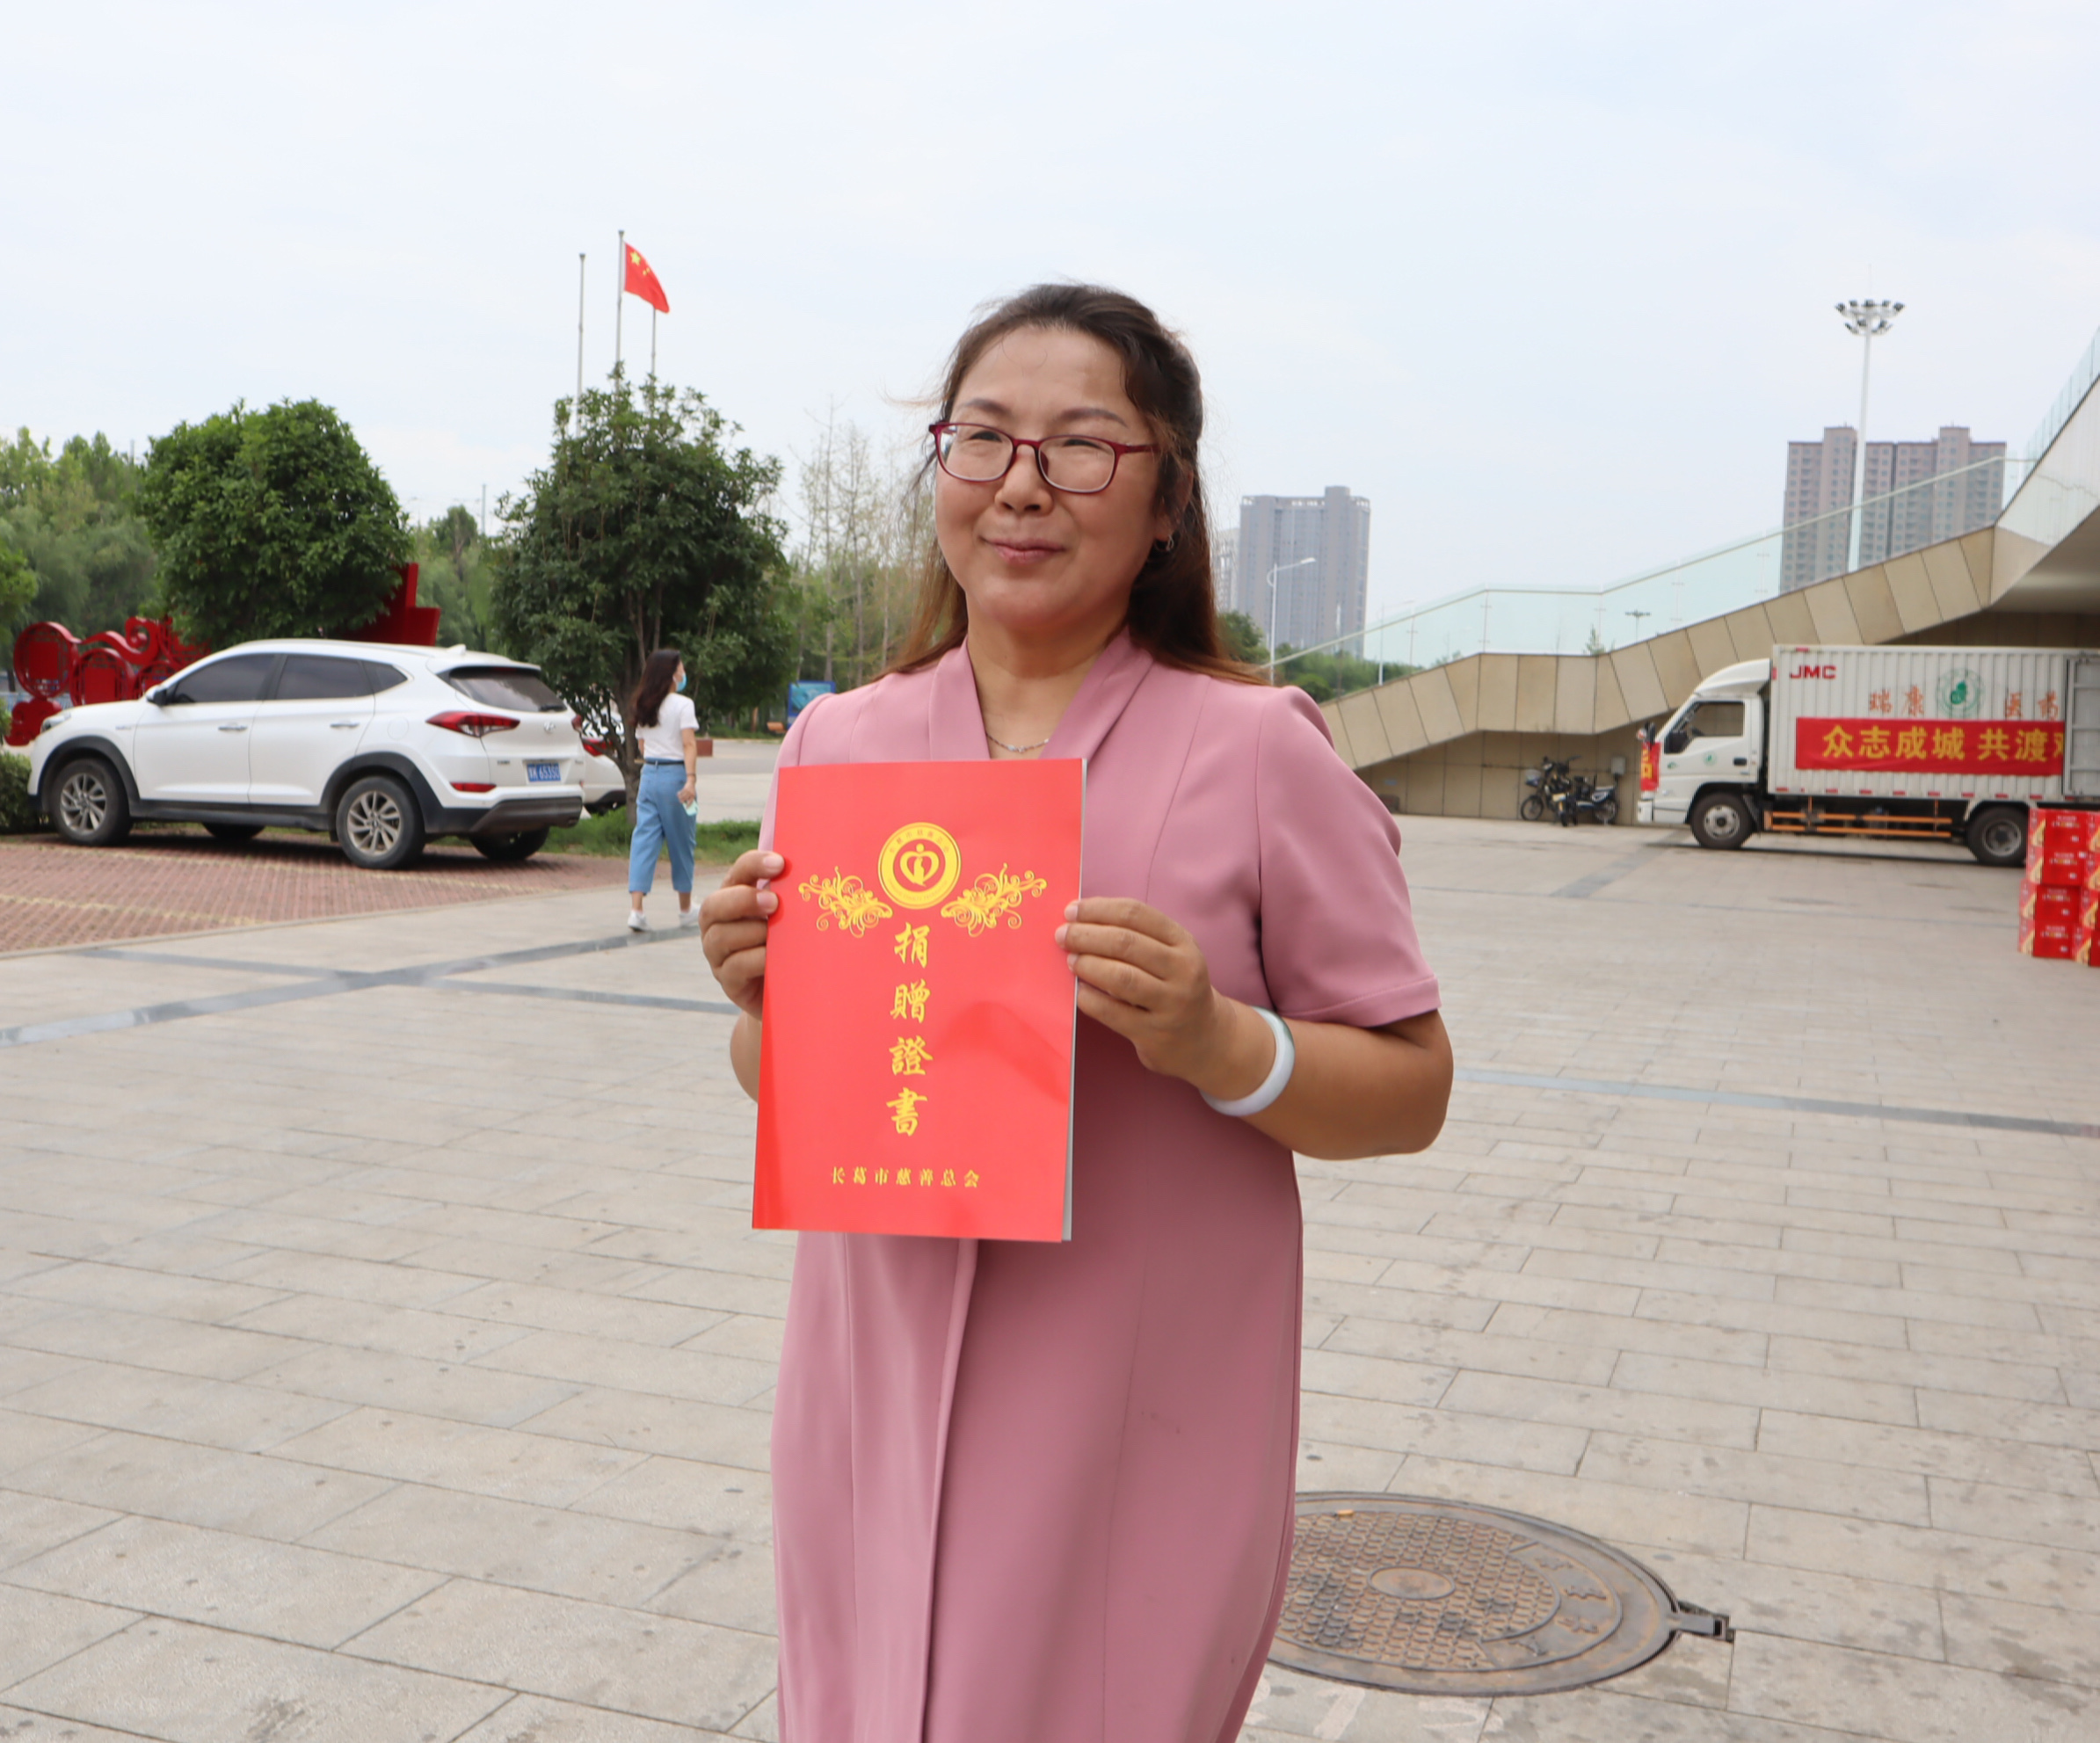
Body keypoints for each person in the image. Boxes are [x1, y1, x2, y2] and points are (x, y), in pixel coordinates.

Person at [700, 284, 1451, 1742]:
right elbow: (786, 1077)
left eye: (1082, 445)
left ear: (1165, 502)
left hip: (1131, 1407)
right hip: (870, 1381)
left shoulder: (1256, 748)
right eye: (982, 437)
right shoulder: (839, 743)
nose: (1022, 483)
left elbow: (1412, 1086)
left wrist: (1219, 1041)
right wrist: (763, 1005)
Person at [625, 649, 700, 932]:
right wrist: (690, 780)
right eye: (681, 668)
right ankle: (685, 909)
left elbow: (643, 746)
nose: (683, 673)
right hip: (675, 776)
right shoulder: (683, 705)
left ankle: (636, 911)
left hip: (649, 776)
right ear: (671, 674)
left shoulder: (643, 703)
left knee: (643, 841)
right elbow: (689, 744)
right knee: (682, 842)